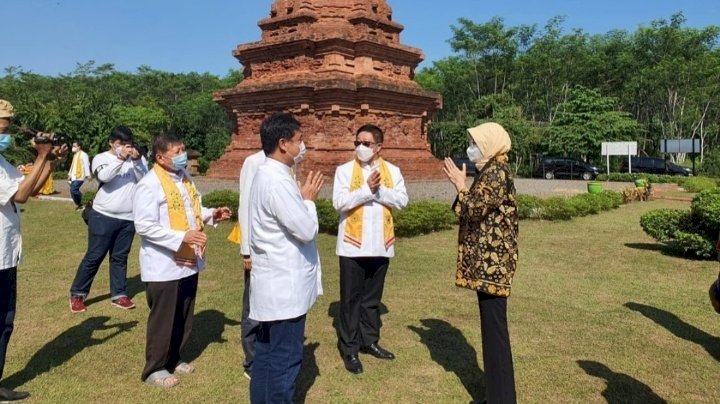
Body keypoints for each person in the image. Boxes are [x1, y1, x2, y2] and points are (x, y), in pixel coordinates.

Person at [133, 132, 231, 388]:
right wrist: (181, 236)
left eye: (183, 150)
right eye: (176, 152)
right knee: (163, 318)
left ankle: (174, 358)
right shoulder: (150, 183)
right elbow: (144, 226)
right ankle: (154, 368)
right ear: (160, 157)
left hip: (188, 261)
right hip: (164, 263)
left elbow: (192, 210)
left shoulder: (184, 178)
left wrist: (212, 214)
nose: (182, 156)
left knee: (184, 314)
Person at [248, 112, 324, 403]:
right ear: (283, 143)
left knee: (268, 355)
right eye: (298, 141)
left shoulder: (270, 174)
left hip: (276, 282)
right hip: (284, 286)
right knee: (284, 360)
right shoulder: (277, 181)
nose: (301, 146)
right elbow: (305, 230)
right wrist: (308, 201)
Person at [442, 122, 519, 404]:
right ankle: (498, 396)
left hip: (493, 266)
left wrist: (460, 186)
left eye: (475, 143)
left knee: (495, 334)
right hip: (488, 265)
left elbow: (473, 209)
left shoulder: (496, 172)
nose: (470, 148)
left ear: (490, 144)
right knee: (492, 332)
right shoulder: (489, 170)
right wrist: (464, 187)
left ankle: (501, 399)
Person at [0, 99, 68, 401]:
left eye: (9, 126)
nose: (8, 132)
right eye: (4, 127)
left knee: (5, 320)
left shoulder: (3, 163)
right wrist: (41, 155)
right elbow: (23, 195)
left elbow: (33, 187)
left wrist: (49, 162)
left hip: (6, 255)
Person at [332, 124, 408, 374]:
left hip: (380, 245)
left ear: (378, 147)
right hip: (353, 247)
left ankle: (370, 341)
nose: (361, 147)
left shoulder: (393, 171)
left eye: (366, 143)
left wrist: (380, 190)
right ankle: (350, 348)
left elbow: (402, 201)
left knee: (372, 300)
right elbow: (339, 203)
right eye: (357, 143)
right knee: (351, 299)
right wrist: (367, 191)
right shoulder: (344, 171)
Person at [68, 126, 148, 313]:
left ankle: (119, 294)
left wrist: (136, 160)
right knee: (94, 256)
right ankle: (78, 294)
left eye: (128, 144)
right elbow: (104, 176)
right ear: (111, 143)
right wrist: (121, 158)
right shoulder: (101, 158)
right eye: (121, 144)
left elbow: (144, 180)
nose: (125, 148)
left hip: (129, 217)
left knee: (120, 257)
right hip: (103, 215)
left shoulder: (137, 159)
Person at [237, 149, 265, 380]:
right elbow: (245, 205)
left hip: (276, 251)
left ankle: (267, 352)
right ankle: (252, 360)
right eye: (298, 140)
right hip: (256, 249)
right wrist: (246, 250)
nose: (302, 145)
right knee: (253, 305)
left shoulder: (288, 164)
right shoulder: (254, 162)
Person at [68, 140, 91, 210]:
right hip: (73, 176)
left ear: (79, 147)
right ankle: (80, 204)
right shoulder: (75, 155)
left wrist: (88, 174)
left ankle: (84, 201)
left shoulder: (84, 154)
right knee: (72, 192)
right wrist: (69, 174)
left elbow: (87, 165)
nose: (73, 147)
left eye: (74, 146)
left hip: (80, 176)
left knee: (73, 190)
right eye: (73, 146)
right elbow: (72, 166)